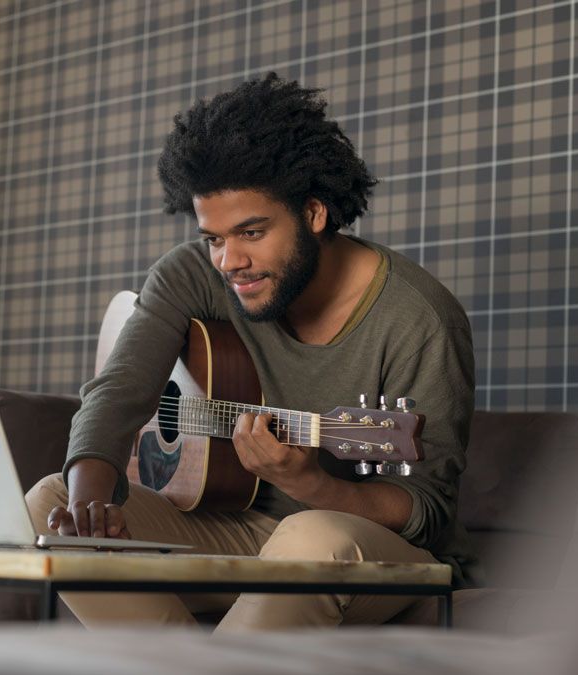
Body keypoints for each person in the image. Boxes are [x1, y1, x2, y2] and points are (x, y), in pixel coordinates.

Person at [24, 73, 480, 631]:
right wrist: (88, 507)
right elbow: (119, 392)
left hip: (357, 542)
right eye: (214, 237)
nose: (228, 260)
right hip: (231, 524)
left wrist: (311, 484)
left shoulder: (419, 319)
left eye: (252, 232)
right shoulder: (193, 276)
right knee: (45, 502)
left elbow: (427, 511)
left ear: (313, 214)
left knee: (310, 536)